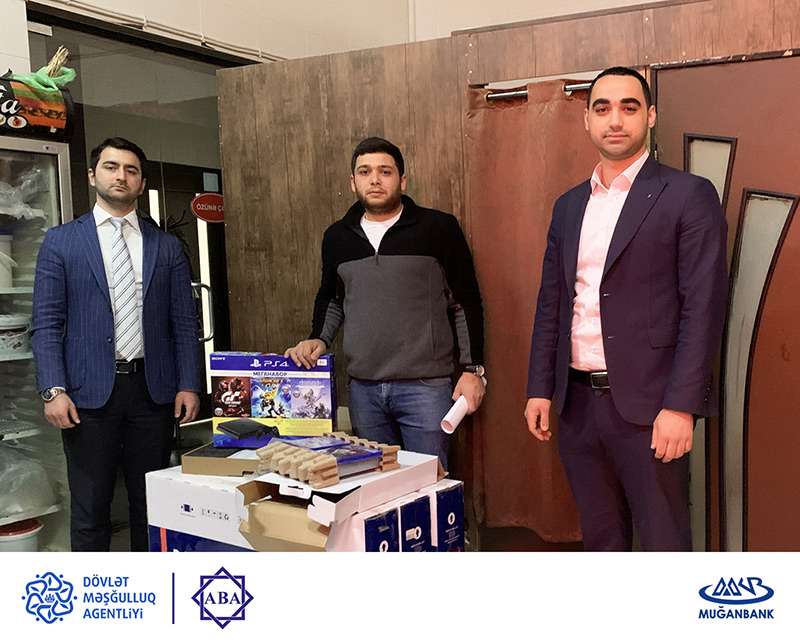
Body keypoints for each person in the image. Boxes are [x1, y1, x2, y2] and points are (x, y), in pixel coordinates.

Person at [524, 67, 728, 551]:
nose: (615, 120)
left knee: (663, 544)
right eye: (602, 108)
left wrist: (681, 406)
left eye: (629, 107)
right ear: (587, 120)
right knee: (602, 544)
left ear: (650, 116)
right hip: (576, 405)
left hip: (651, 408)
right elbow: (553, 302)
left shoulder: (688, 194)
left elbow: (703, 309)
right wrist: (539, 388)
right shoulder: (569, 206)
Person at [31, 137, 201, 552]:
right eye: (111, 167)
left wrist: (189, 384)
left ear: (141, 183)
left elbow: (183, 322)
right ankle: (95, 591)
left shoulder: (166, 246)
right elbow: (46, 323)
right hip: (85, 397)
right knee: (90, 509)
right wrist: (53, 389)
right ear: (93, 176)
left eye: (130, 170)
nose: (120, 176)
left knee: (152, 506)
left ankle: (147, 586)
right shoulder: (61, 241)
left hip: (152, 393)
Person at [285, 137, 485, 467]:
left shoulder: (438, 228)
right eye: (365, 172)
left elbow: (465, 301)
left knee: (429, 484)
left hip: (425, 390)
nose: (375, 179)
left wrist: (473, 369)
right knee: (375, 487)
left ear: (401, 180)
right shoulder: (337, 237)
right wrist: (318, 338)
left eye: (385, 171)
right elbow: (332, 298)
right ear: (353, 182)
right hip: (363, 392)